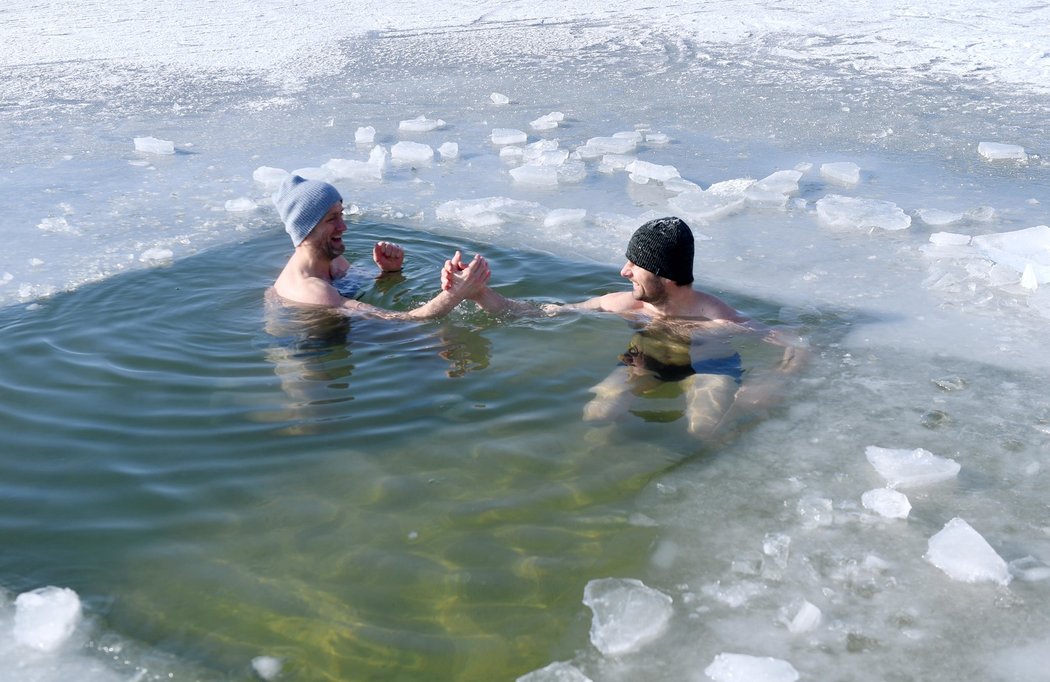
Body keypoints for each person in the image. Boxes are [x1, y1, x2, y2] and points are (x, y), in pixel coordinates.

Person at [445, 216, 807, 437]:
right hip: (642, 360)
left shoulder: (719, 319)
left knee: (705, 431)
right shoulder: (627, 304)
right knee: (597, 414)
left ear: (664, 275)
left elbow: (798, 344)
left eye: (636, 264)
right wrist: (480, 295)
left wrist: (773, 380)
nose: (624, 272)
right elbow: (545, 312)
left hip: (711, 365)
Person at [270, 174, 490, 319]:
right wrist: (455, 293)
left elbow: (368, 292)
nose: (343, 226)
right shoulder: (312, 290)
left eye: (341, 215)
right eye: (332, 219)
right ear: (306, 229)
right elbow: (398, 322)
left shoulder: (332, 260)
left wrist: (389, 272)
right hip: (309, 360)